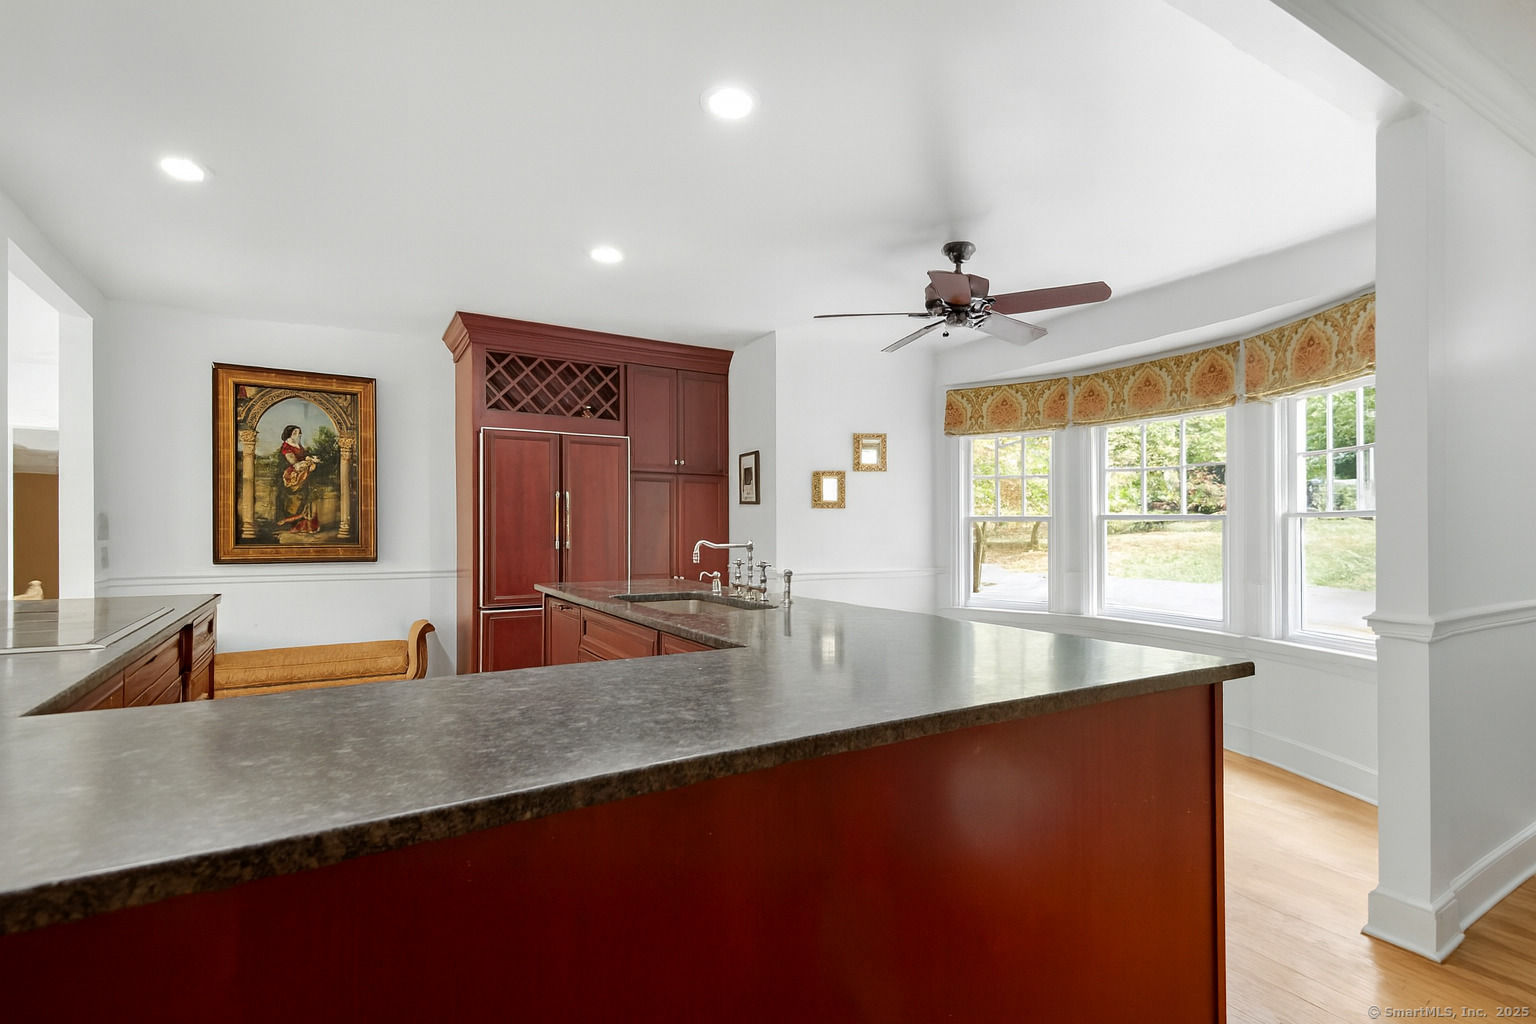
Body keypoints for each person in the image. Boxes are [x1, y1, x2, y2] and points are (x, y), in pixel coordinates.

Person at [276, 425, 321, 533]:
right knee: (295, 500)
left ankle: (305, 525)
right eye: (296, 433)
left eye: (299, 433)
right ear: (289, 434)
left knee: (307, 497)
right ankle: (293, 525)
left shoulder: (298, 445)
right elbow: (293, 462)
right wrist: (305, 463)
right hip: (292, 476)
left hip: (303, 474)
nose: (299, 435)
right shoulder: (286, 446)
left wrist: (310, 459)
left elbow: (304, 455)